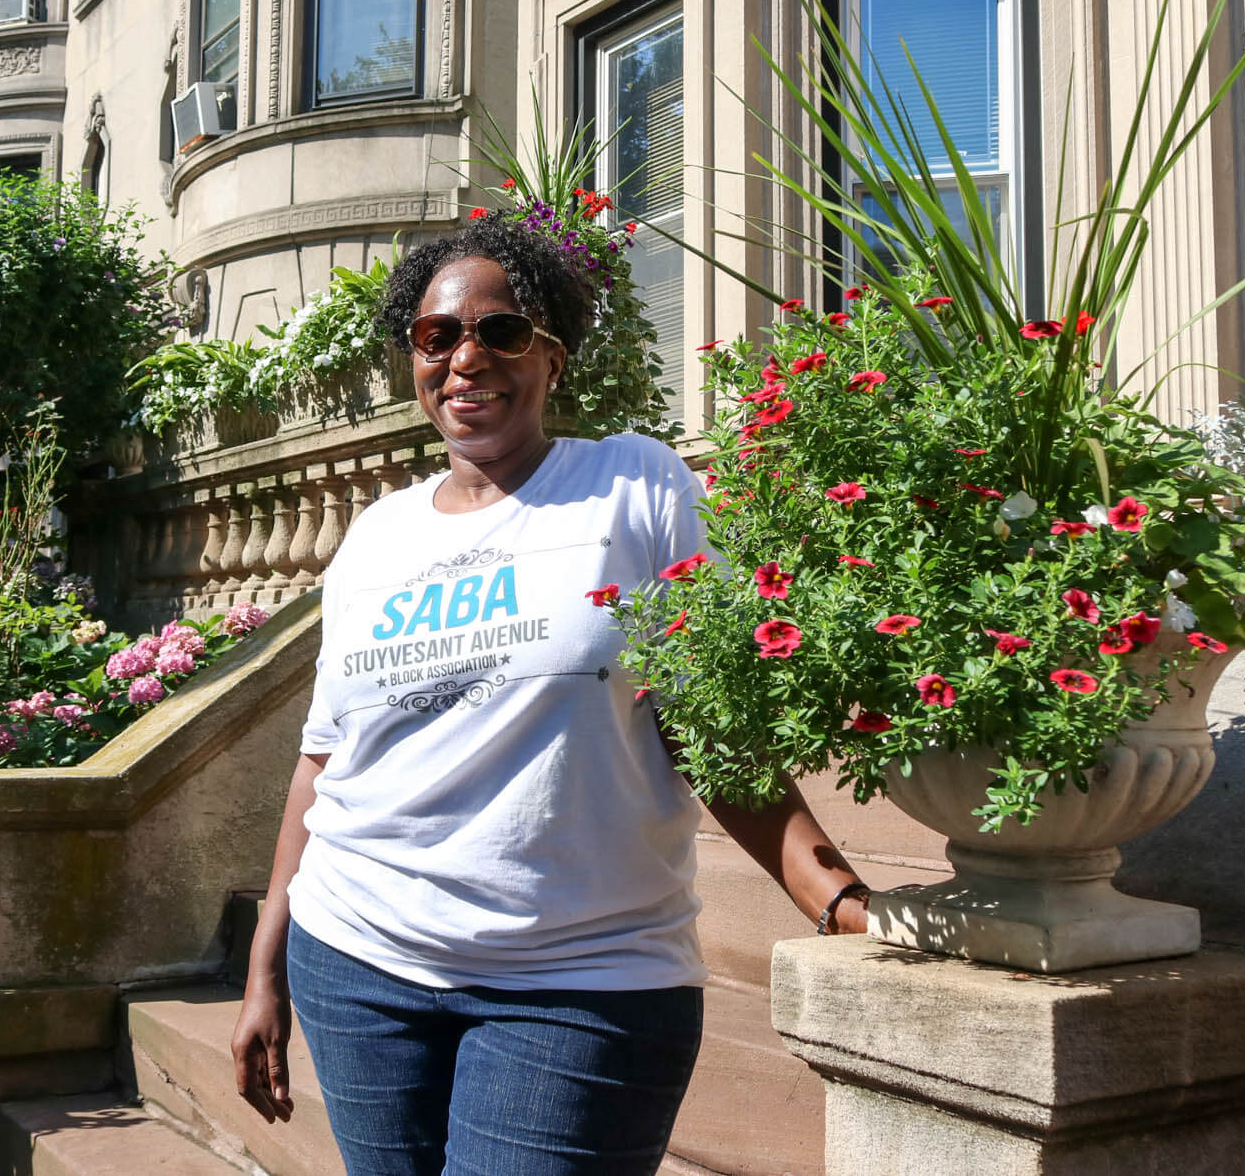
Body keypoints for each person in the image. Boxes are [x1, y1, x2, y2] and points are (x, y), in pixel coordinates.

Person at [229, 215, 870, 1175]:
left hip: (583, 981)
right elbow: (324, 766)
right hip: (357, 959)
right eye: (437, 337)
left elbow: (710, 727)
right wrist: (263, 972)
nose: (465, 359)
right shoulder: (375, 538)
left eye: (502, 332)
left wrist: (837, 900)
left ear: (553, 357)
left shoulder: (631, 486)